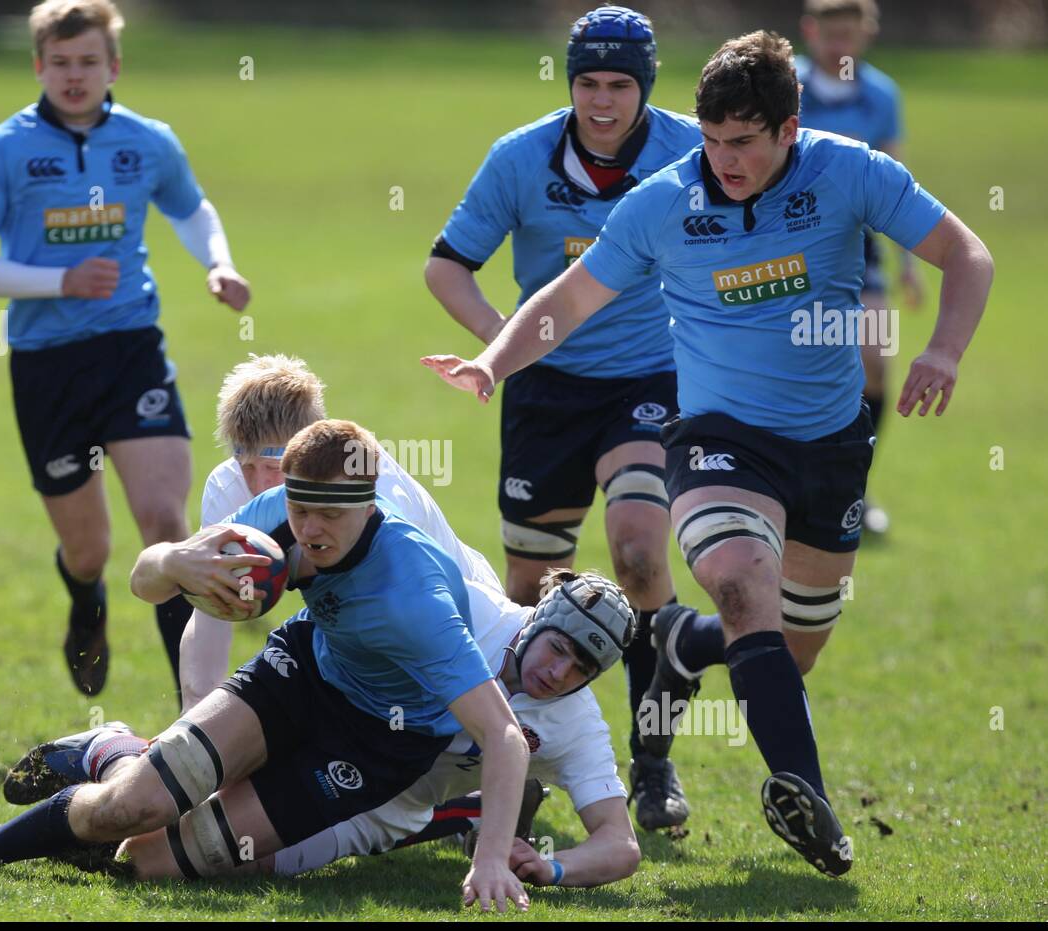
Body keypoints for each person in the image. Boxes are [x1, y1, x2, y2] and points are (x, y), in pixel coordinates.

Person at [423, 31, 993, 876]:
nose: (723, 160)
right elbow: (570, 297)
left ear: (787, 130)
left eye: (744, 143)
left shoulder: (849, 170)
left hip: (831, 446)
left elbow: (965, 253)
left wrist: (943, 349)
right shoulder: (662, 201)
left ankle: (687, 649)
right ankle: (809, 804)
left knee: (789, 648)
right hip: (717, 437)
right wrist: (495, 360)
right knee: (734, 581)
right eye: (713, 140)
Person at [0, 421, 533, 912]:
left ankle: (112, 751)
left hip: (380, 743)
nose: (309, 531)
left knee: (143, 862)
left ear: (371, 503)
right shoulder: (278, 517)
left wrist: (494, 857)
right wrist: (176, 563)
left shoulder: (412, 599)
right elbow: (146, 581)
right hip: (304, 671)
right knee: (129, 807)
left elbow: (503, 734)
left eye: (331, 515)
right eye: (301, 509)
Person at [424, 5, 702, 830]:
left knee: (641, 555)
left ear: (645, 87)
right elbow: (445, 268)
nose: (603, 101)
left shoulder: (690, 151)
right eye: (589, 83)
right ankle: (514, 758)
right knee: (530, 595)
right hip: (545, 394)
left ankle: (652, 761)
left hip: (650, 379)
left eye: (620, 85)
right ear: (569, 82)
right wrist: (504, 348)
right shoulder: (520, 158)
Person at [0, 0, 250, 695]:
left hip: (130, 349)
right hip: (47, 365)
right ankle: (87, 604)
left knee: (167, 527)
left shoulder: (147, 141)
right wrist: (61, 279)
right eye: (60, 62)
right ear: (39, 66)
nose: (74, 75)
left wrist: (217, 263)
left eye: (88, 62)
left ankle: (194, 714)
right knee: (89, 551)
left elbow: (191, 207)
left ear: (114, 66)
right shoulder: (3, 150)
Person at [121, 568, 640, 890]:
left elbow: (621, 845)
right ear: (535, 621)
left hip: (381, 806)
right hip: (325, 721)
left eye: (581, 670)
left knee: (186, 860)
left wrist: (553, 868)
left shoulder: (576, 723)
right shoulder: (469, 610)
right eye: (559, 649)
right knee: (168, 789)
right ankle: (108, 750)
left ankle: (464, 810)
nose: (559, 673)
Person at [173, 353, 498, 710]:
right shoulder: (226, 487)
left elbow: (393, 612)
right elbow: (211, 611)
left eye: (272, 466)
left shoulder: (368, 489)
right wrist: (194, 715)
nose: (257, 484)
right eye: (244, 464)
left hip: (476, 635)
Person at [797, 0, 923, 535]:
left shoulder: (881, 95)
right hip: (792, 244)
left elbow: (898, 185)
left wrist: (908, 265)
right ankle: (791, 483)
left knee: (874, 361)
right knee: (794, 361)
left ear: (867, 34)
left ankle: (853, 489)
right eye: (831, 33)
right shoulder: (787, 87)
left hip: (859, 248)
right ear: (810, 31)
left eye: (851, 33)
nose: (840, 45)